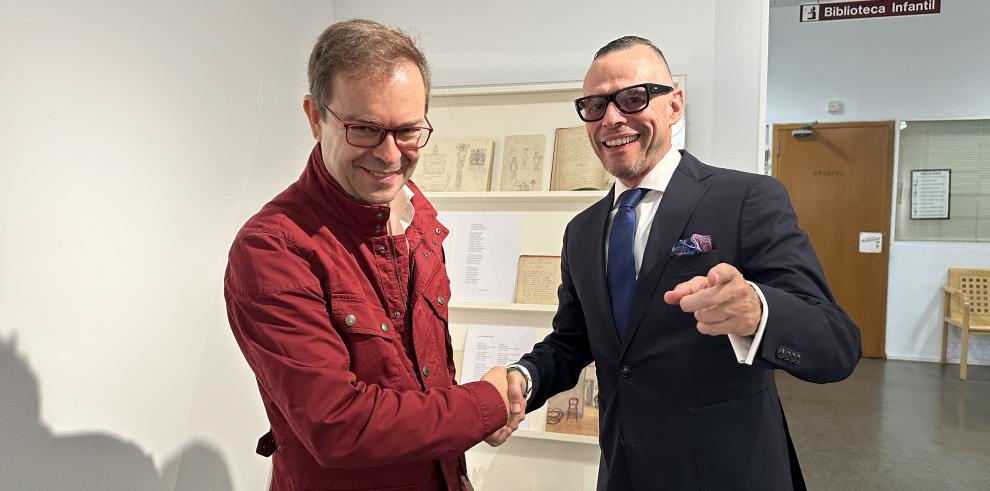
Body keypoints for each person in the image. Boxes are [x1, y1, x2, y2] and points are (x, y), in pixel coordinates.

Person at [495, 36, 862, 490]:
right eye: (594, 105)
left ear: (674, 106)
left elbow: (836, 346)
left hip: (729, 473)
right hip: (624, 473)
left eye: (633, 98)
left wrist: (758, 311)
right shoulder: (582, 231)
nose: (612, 118)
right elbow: (574, 340)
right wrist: (524, 378)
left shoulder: (747, 199)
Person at [224, 19, 512, 491]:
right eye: (365, 129)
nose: (390, 154)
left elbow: (426, 372)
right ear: (315, 116)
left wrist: (472, 421)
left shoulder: (418, 214)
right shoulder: (272, 249)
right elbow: (339, 425)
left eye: (409, 131)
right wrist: (483, 406)